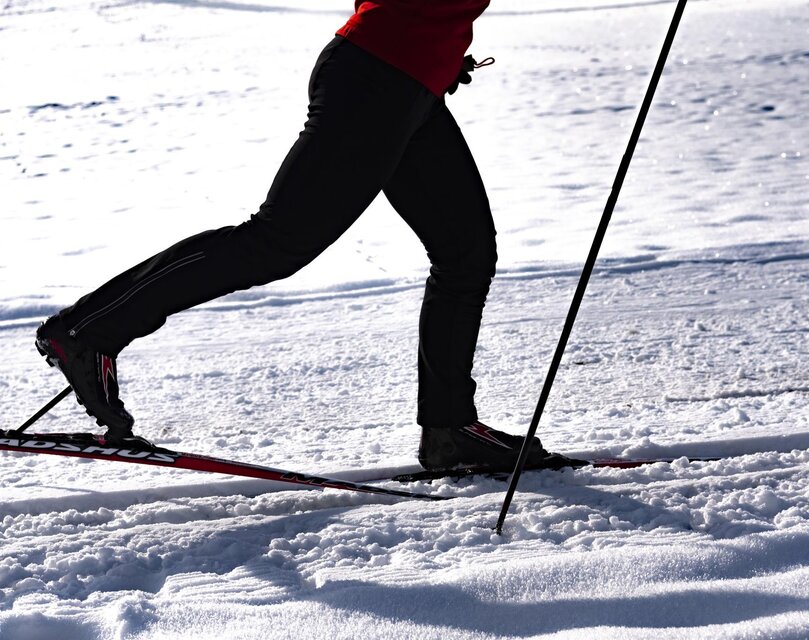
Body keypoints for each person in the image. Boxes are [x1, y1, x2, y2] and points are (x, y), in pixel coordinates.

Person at [35, 0, 555, 471]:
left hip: (411, 84)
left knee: (465, 254)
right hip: (376, 78)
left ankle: (449, 430)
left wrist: (436, 53)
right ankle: (87, 332)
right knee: (276, 241)